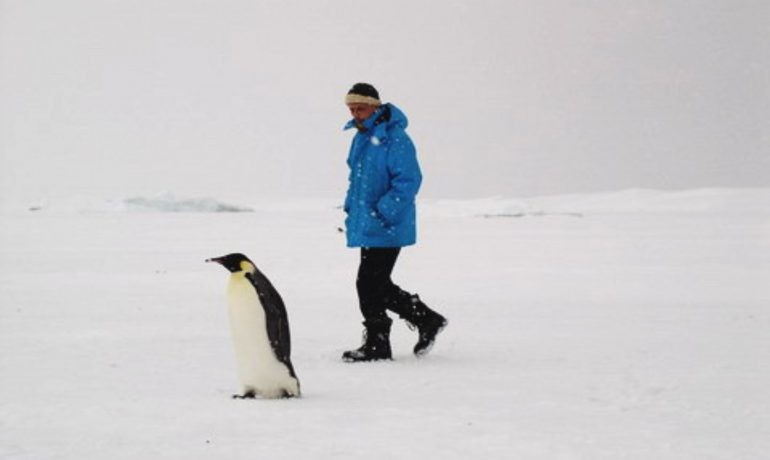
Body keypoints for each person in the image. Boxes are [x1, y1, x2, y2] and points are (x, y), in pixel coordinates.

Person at [341, 82, 448, 362]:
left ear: (375, 106)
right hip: (369, 223)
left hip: (388, 225)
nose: (355, 114)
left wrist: (384, 212)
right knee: (376, 283)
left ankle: (379, 342)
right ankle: (426, 319)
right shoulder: (361, 138)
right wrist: (352, 209)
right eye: (351, 109)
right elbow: (357, 181)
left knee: (368, 283)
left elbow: (409, 180)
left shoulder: (395, 137)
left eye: (360, 108)